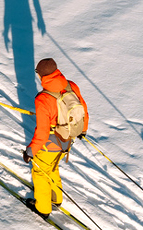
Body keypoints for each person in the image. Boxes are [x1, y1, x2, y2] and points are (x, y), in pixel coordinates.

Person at [22, 58, 89, 218]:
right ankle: (56, 198)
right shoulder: (71, 86)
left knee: (39, 171)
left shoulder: (43, 99)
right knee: (52, 167)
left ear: (41, 76)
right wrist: (82, 130)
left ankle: (43, 208)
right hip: (67, 139)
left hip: (51, 143)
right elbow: (83, 109)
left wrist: (30, 152)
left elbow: (43, 132)